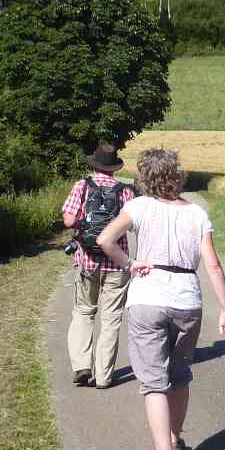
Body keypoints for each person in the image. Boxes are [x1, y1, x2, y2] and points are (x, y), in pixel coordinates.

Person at [96, 149, 225, 450]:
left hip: (147, 298)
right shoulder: (197, 213)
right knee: (180, 375)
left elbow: (105, 239)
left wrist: (130, 264)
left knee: (153, 383)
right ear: (177, 175)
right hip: (187, 300)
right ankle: (175, 439)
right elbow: (213, 264)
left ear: (144, 177)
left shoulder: (138, 207)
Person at [61, 143, 138, 389]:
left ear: (94, 164)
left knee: (84, 311)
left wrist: (86, 224)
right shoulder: (125, 192)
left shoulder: (82, 186)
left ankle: (82, 366)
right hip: (116, 261)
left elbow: (68, 220)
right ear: (114, 167)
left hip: (87, 261)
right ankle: (104, 376)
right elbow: (132, 225)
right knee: (111, 319)